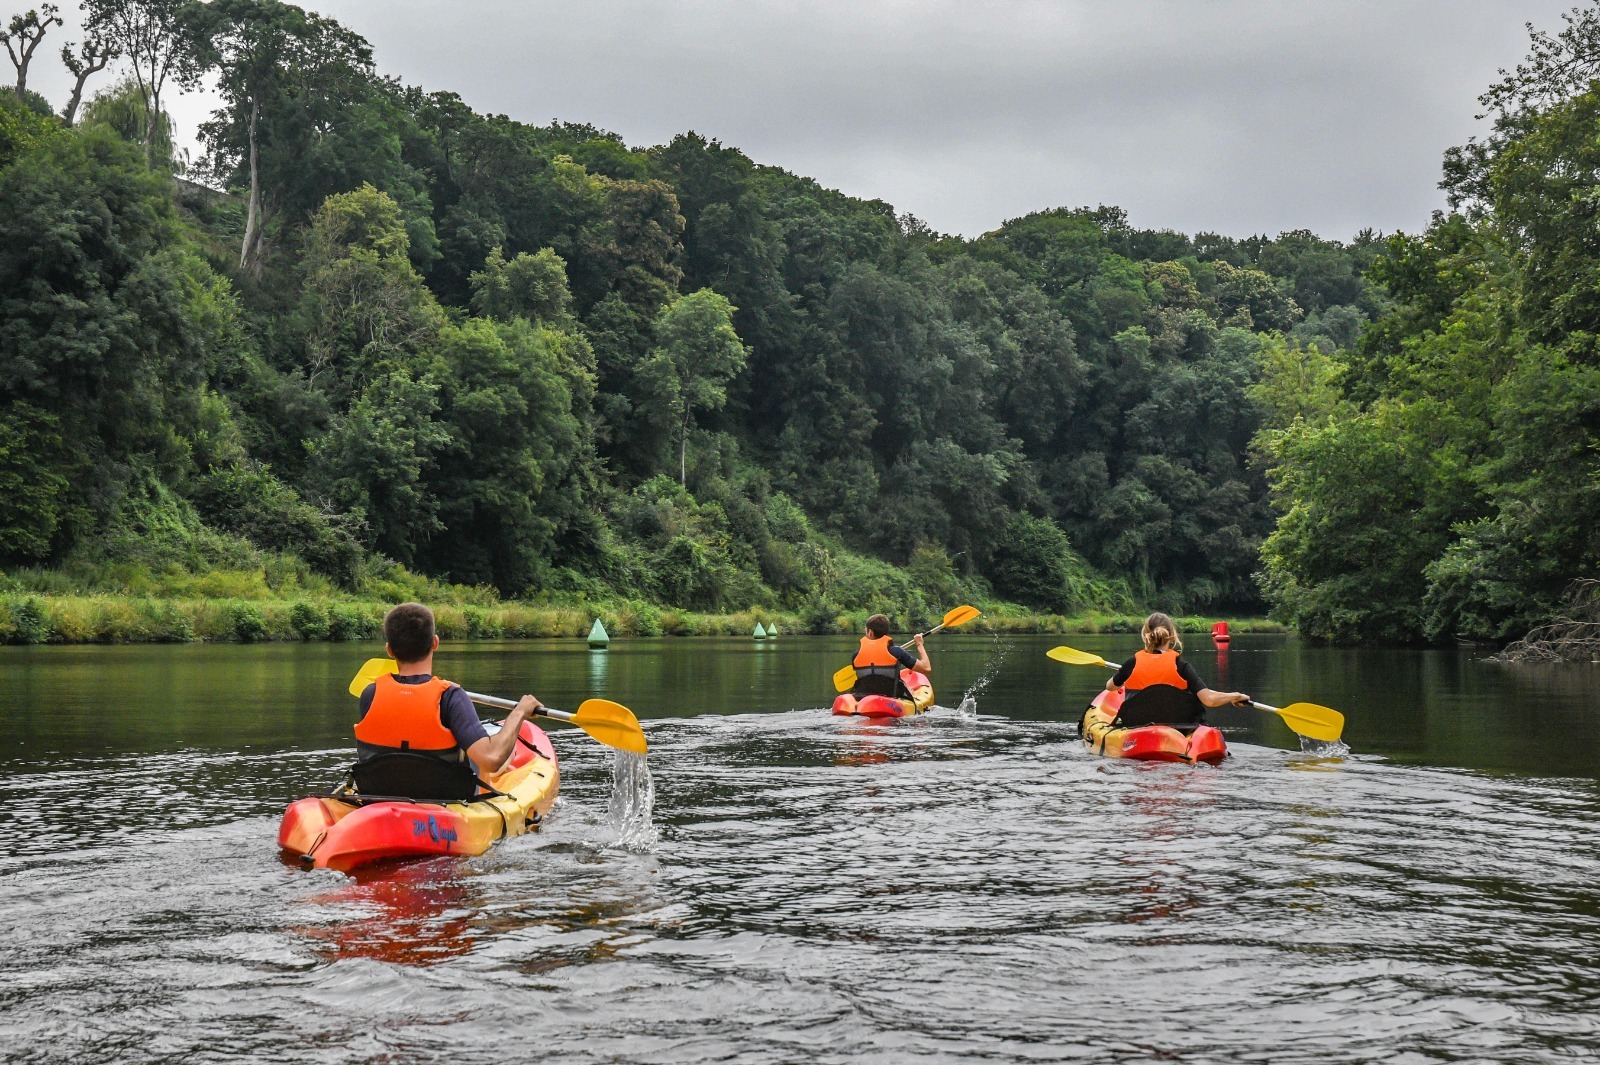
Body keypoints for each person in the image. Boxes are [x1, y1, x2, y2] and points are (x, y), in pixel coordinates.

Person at [354, 602, 542, 793]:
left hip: (379, 799)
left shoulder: (371, 693)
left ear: (389, 650)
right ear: (435, 642)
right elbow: (491, 760)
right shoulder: (450, 697)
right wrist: (520, 711)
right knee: (481, 752)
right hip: (444, 805)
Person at [1105, 612, 1249, 721]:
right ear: (1172, 635)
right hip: (1177, 728)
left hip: (1137, 725)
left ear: (1145, 635)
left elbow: (1110, 687)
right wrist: (1235, 696)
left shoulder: (1132, 663)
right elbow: (1209, 700)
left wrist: (1125, 674)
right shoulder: (1181, 666)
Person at [851, 613, 931, 698]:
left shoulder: (856, 655)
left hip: (862, 700)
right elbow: (926, 668)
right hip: (891, 699)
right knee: (905, 686)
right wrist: (919, 644)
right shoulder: (896, 652)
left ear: (870, 632)